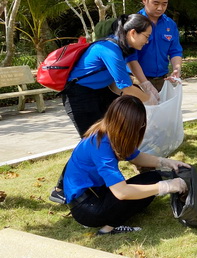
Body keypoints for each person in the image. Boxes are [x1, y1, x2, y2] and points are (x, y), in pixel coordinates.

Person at [50, 14, 155, 205]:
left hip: (100, 92)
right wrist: (152, 100)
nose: (147, 41)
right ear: (132, 33)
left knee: (113, 134)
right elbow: (125, 87)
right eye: (146, 36)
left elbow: (124, 82)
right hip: (79, 95)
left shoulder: (126, 48)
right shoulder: (109, 49)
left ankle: (112, 179)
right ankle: (61, 189)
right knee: (94, 141)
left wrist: (146, 87)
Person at [62, 96, 190, 235]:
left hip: (98, 193)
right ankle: (109, 227)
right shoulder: (100, 145)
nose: (140, 129)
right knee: (139, 191)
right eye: (138, 126)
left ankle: (110, 218)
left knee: (152, 178)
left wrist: (165, 162)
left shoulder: (110, 132)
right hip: (87, 208)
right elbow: (121, 192)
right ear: (126, 125)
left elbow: (136, 157)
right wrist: (166, 186)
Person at [127, 0, 183, 101]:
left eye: (164, 4)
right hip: (138, 81)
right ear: (144, 0)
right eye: (156, 3)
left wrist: (176, 69)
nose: (160, 8)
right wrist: (144, 83)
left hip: (162, 81)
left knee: (162, 117)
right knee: (140, 118)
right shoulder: (134, 24)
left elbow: (175, 51)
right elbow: (131, 58)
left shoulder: (170, 24)